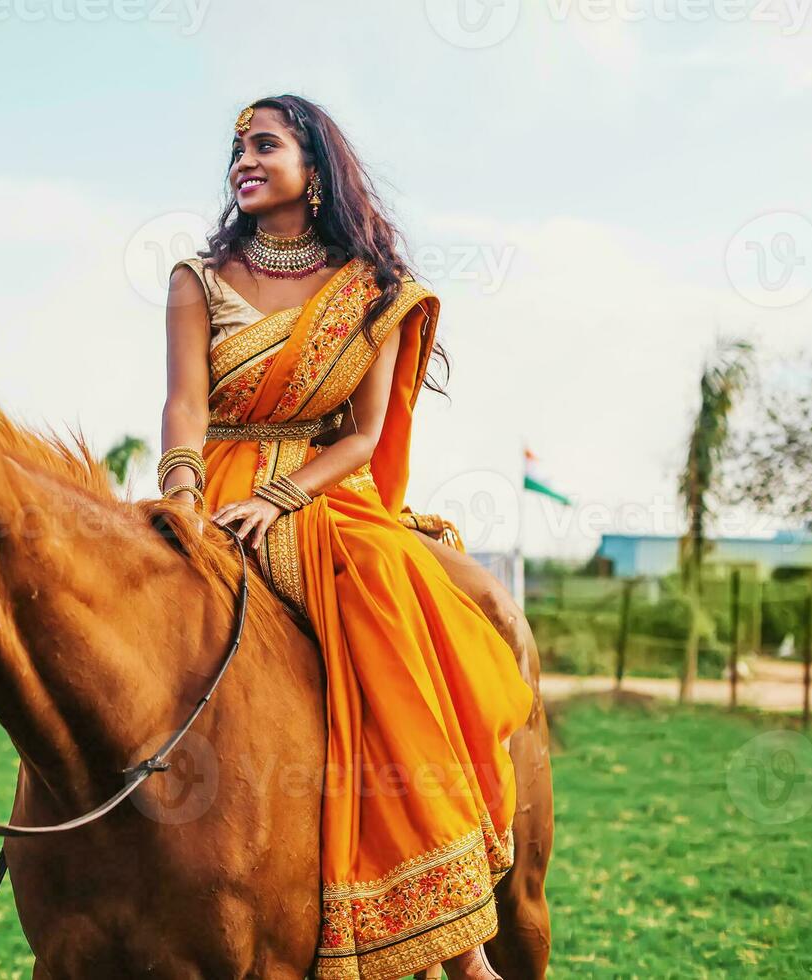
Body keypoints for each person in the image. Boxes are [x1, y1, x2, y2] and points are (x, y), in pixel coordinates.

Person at [159, 96, 535, 980]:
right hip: (207, 482)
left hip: (321, 496)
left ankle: (454, 928)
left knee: (385, 594)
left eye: (265, 145)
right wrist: (180, 495)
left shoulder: (372, 294)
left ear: (314, 169)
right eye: (236, 150)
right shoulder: (196, 279)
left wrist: (280, 496)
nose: (243, 161)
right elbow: (182, 402)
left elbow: (364, 437)